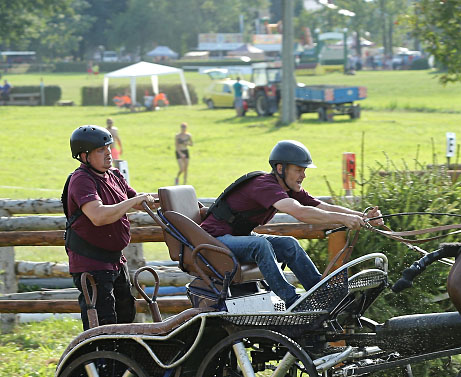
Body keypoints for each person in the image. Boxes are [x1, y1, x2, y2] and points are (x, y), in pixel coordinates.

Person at [199, 140, 382, 309]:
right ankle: (292, 301)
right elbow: (300, 212)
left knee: (289, 243)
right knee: (260, 244)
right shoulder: (264, 185)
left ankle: (321, 294)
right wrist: (343, 220)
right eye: (299, 170)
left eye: (304, 170)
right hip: (214, 241)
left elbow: (322, 206)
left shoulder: (288, 187)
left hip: (236, 238)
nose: (303, 176)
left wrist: (363, 218)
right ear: (280, 168)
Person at [63, 125, 157, 329]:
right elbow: (98, 216)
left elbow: (140, 202)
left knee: (125, 316)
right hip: (91, 264)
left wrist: (170, 199)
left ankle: (120, 361)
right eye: (100, 150)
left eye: (108, 147)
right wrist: (135, 201)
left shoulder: (113, 175)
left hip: (114, 260)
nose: (108, 153)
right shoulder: (82, 180)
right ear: (84, 156)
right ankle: (101, 361)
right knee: (104, 324)